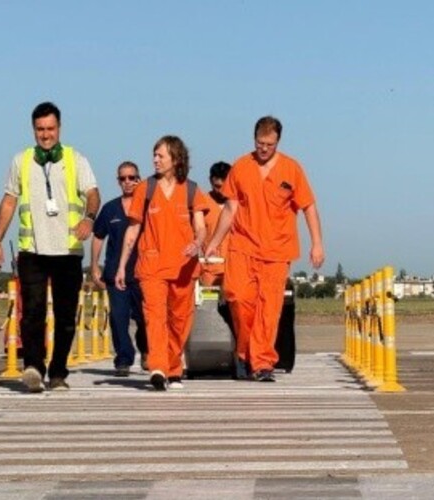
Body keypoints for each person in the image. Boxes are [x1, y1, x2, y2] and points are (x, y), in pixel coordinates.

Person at [204, 116, 325, 382]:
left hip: (277, 251)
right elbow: (230, 209)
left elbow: (309, 207)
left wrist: (317, 243)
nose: (264, 148)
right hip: (242, 247)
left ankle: (261, 363)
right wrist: (213, 242)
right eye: (260, 143)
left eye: (269, 144)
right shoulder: (241, 166)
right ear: (254, 139)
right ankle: (245, 352)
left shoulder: (292, 169)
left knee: (269, 309)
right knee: (238, 298)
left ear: (277, 142)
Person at [0, 101, 100, 393]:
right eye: (40, 129)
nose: (45, 134)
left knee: (65, 317)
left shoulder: (76, 159)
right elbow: (9, 201)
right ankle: (34, 368)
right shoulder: (21, 161)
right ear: (33, 129)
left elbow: (92, 193)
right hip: (33, 250)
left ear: (59, 128)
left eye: (50, 128)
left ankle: (58, 372)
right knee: (33, 313)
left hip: (67, 251)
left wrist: (89, 219)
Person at [115, 135, 208, 391]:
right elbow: (132, 230)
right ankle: (158, 367)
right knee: (154, 317)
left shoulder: (191, 190)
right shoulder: (146, 189)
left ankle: (173, 367)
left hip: (183, 267)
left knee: (180, 320)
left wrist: (197, 243)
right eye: (154, 155)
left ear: (175, 159)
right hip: (151, 266)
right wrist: (122, 266)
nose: (155, 160)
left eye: (161, 156)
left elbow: (201, 227)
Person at [91, 161, 148, 377]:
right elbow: (98, 237)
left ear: (138, 179)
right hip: (116, 274)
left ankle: (147, 350)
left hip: (143, 272)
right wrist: (95, 265)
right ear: (118, 181)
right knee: (118, 317)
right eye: (123, 178)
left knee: (145, 318)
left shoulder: (148, 206)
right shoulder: (110, 209)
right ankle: (124, 358)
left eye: (132, 177)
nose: (128, 182)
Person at [199, 161, 231, 287]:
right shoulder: (201, 203)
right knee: (209, 306)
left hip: (234, 270)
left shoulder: (240, 205)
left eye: (225, 186)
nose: (221, 191)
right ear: (210, 181)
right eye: (217, 186)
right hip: (209, 270)